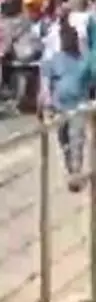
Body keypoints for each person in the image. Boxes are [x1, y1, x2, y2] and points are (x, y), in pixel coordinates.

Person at [42, 24, 95, 191]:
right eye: (64, 38)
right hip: (59, 107)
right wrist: (46, 102)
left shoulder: (84, 60)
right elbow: (46, 82)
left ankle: (76, 173)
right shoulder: (55, 59)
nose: (67, 41)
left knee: (77, 139)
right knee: (63, 140)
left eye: (70, 38)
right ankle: (70, 168)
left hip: (78, 106)